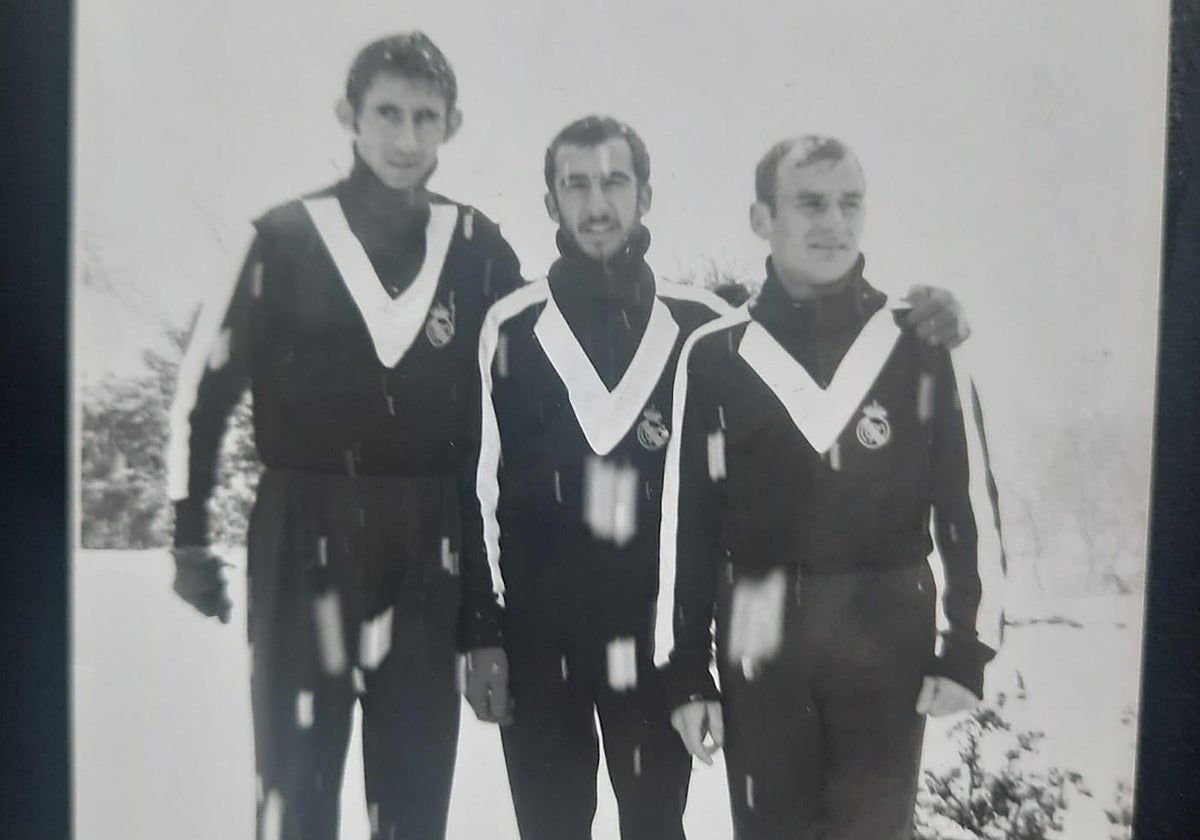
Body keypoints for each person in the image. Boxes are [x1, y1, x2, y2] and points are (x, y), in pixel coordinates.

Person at [462, 117, 973, 840]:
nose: (597, 203)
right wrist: (482, 627)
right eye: (576, 185)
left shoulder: (700, 324)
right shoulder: (510, 327)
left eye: (615, 182)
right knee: (549, 827)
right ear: (551, 203)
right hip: (542, 640)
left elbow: (807, 334)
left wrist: (936, 312)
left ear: (645, 196)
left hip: (652, 637)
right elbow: (476, 487)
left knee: (655, 826)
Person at [165, 32, 520, 840]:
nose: (405, 138)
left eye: (424, 117)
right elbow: (206, 390)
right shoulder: (286, 237)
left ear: (452, 125)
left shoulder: (477, 246)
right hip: (303, 536)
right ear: (348, 117)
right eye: (386, 113)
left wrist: (489, 604)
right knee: (296, 789)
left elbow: (531, 389)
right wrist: (189, 538)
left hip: (429, 544)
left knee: (414, 796)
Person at [656, 135, 1005, 840]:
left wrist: (967, 647)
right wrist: (687, 675)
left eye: (850, 203)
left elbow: (970, 512)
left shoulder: (918, 344)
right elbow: (686, 526)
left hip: (885, 624)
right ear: (763, 218)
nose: (834, 222)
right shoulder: (718, 355)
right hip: (760, 624)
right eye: (810, 203)